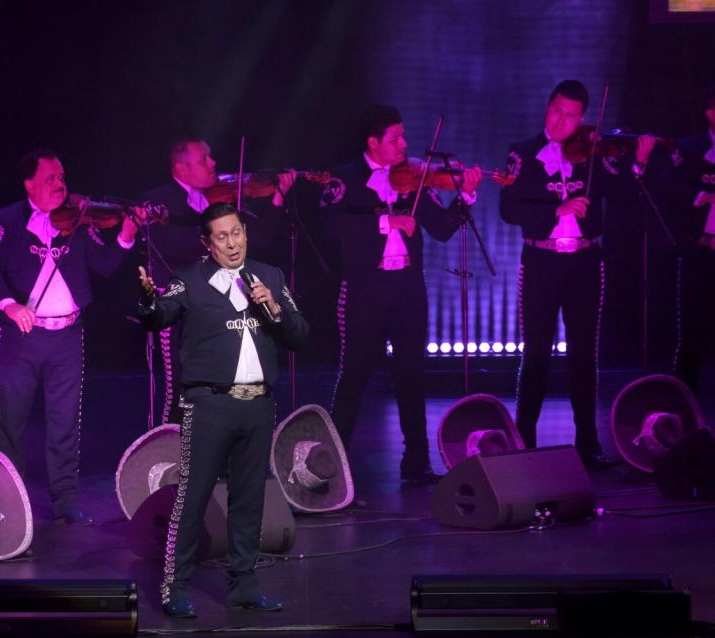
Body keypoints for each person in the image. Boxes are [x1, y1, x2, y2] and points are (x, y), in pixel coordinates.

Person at [137, 202, 308, 618]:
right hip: (210, 403)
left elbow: (299, 335)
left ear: (245, 232)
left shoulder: (269, 276)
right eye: (221, 237)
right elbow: (159, 316)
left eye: (236, 233)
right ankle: (175, 587)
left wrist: (276, 309)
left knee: (249, 499)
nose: (232, 243)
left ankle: (243, 586)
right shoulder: (190, 281)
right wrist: (147, 300)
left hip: (258, 405)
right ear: (207, 243)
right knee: (193, 497)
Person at [321, 104, 482, 485]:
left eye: (403, 136)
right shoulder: (344, 179)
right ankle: (334, 462)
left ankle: (416, 461)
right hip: (366, 290)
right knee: (355, 374)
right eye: (395, 138)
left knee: (412, 375)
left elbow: (441, 228)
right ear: (373, 142)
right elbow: (331, 226)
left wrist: (466, 197)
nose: (403, 144)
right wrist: (384, 221)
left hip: (407, 288)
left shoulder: (414, 179)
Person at [500, 80, 656, 467]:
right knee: (535, 352)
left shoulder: (591, 154)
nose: (559, 120)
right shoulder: (523, 154)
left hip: (585, 262)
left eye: (569, 116)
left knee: (584, 354)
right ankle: (525, 438)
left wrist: (637, 164)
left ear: (582, 118)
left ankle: (587, 442)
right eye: (555, 110)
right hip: (541, 261)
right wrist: (557, 209)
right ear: (548, 106)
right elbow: (509, 209)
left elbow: (623, 201)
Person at [0, 148, 140, 525]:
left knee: (65, 420)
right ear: (29, 184)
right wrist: (9, 305)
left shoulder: (80, 220)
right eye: (50, 178)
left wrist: (127, 235)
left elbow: (104, 265)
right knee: (12, 419)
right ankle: (8, 499)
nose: (60, 184)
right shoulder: (5, 219)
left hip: (67, 335)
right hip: (23, 334)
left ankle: (65, 501)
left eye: (62, 177)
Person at [140, 138, 295, 425]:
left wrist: (276, 198)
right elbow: (171, 244)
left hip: (220, 305)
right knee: (181, 385)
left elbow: (259, 238)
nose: (213, 164)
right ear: (181, 169)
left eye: (211, 158)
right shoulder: (162, 201)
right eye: (204, 160)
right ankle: (173, 455)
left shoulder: (217, 199)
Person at [664, 88, 715, 394]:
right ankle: (683, 402)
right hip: (701, 250)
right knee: (692, 332)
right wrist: (697, 195)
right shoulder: (692, 148)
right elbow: (666, 181)